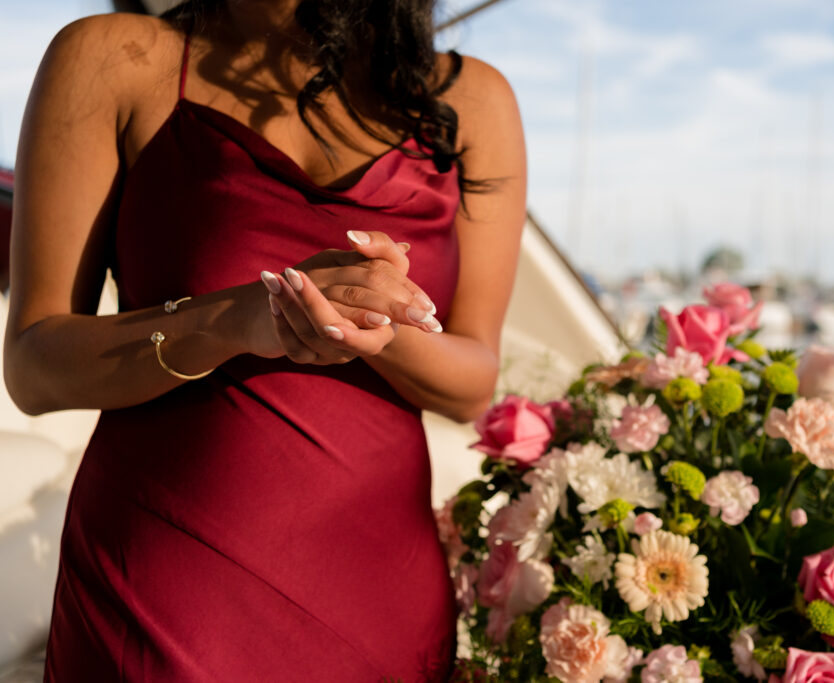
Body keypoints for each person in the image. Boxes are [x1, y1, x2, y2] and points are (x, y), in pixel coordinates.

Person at [3, 0, 525, 679]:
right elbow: (35, 364)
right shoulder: (112, 58)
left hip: (376, 605)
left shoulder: (474, 100)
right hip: (164, 600)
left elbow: (474, 381)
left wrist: (367, 314)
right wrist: (242, 318)